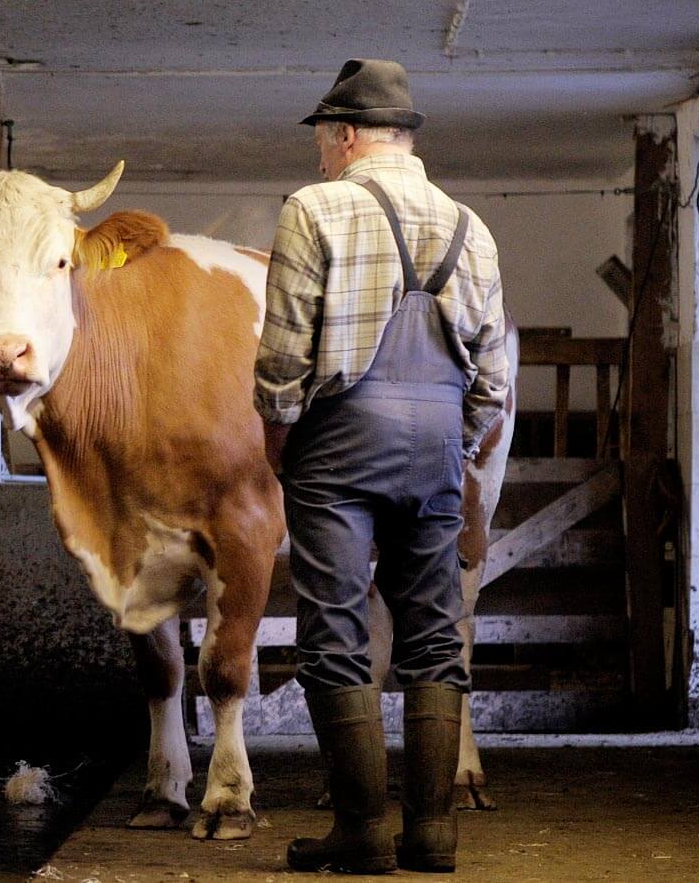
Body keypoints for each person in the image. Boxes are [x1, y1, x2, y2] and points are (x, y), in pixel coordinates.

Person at [255, 58, 512, 875]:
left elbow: (287, 340)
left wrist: (279, 423)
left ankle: (362, 833)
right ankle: (433, 836)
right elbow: (493, 374)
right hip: (436, 440)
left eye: (325, 141)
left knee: (334, 630)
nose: (322, 155)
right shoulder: (471, 225)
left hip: (339, 439)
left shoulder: (314, 207)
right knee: (435, 635)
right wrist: (458, 443)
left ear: (344, 135)